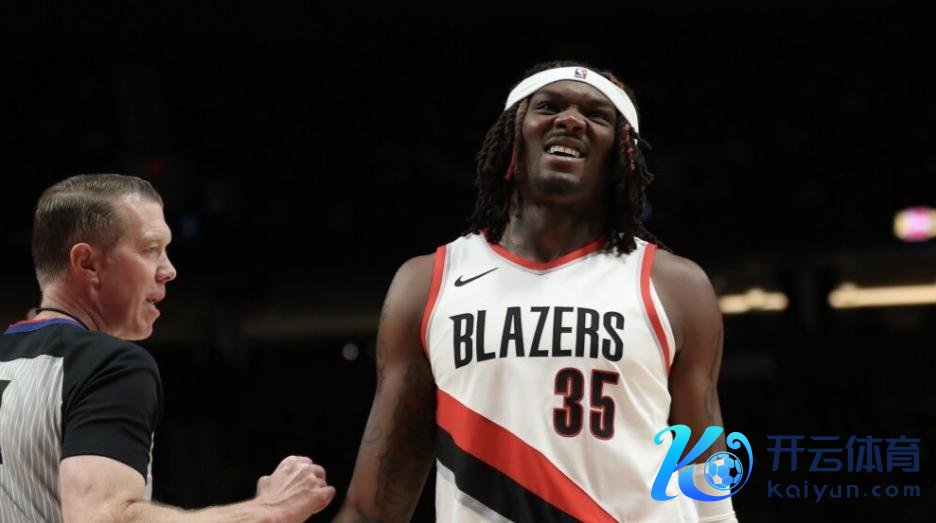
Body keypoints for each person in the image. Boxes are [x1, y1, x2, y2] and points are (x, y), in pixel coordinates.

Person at [334, 61, 738, 522]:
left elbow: (708, 485)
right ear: (513, 138)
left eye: (597, 115)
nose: (570, 120)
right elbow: (376, 505)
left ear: (622, 154)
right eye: (548, 106)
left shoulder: (675, 286)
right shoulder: (428, 282)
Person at [0, 174, 335, 521]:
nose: (169, 270)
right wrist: (268, 510)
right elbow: (101, 518)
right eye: (150, 250)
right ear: (88, 263)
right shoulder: (108, 363)